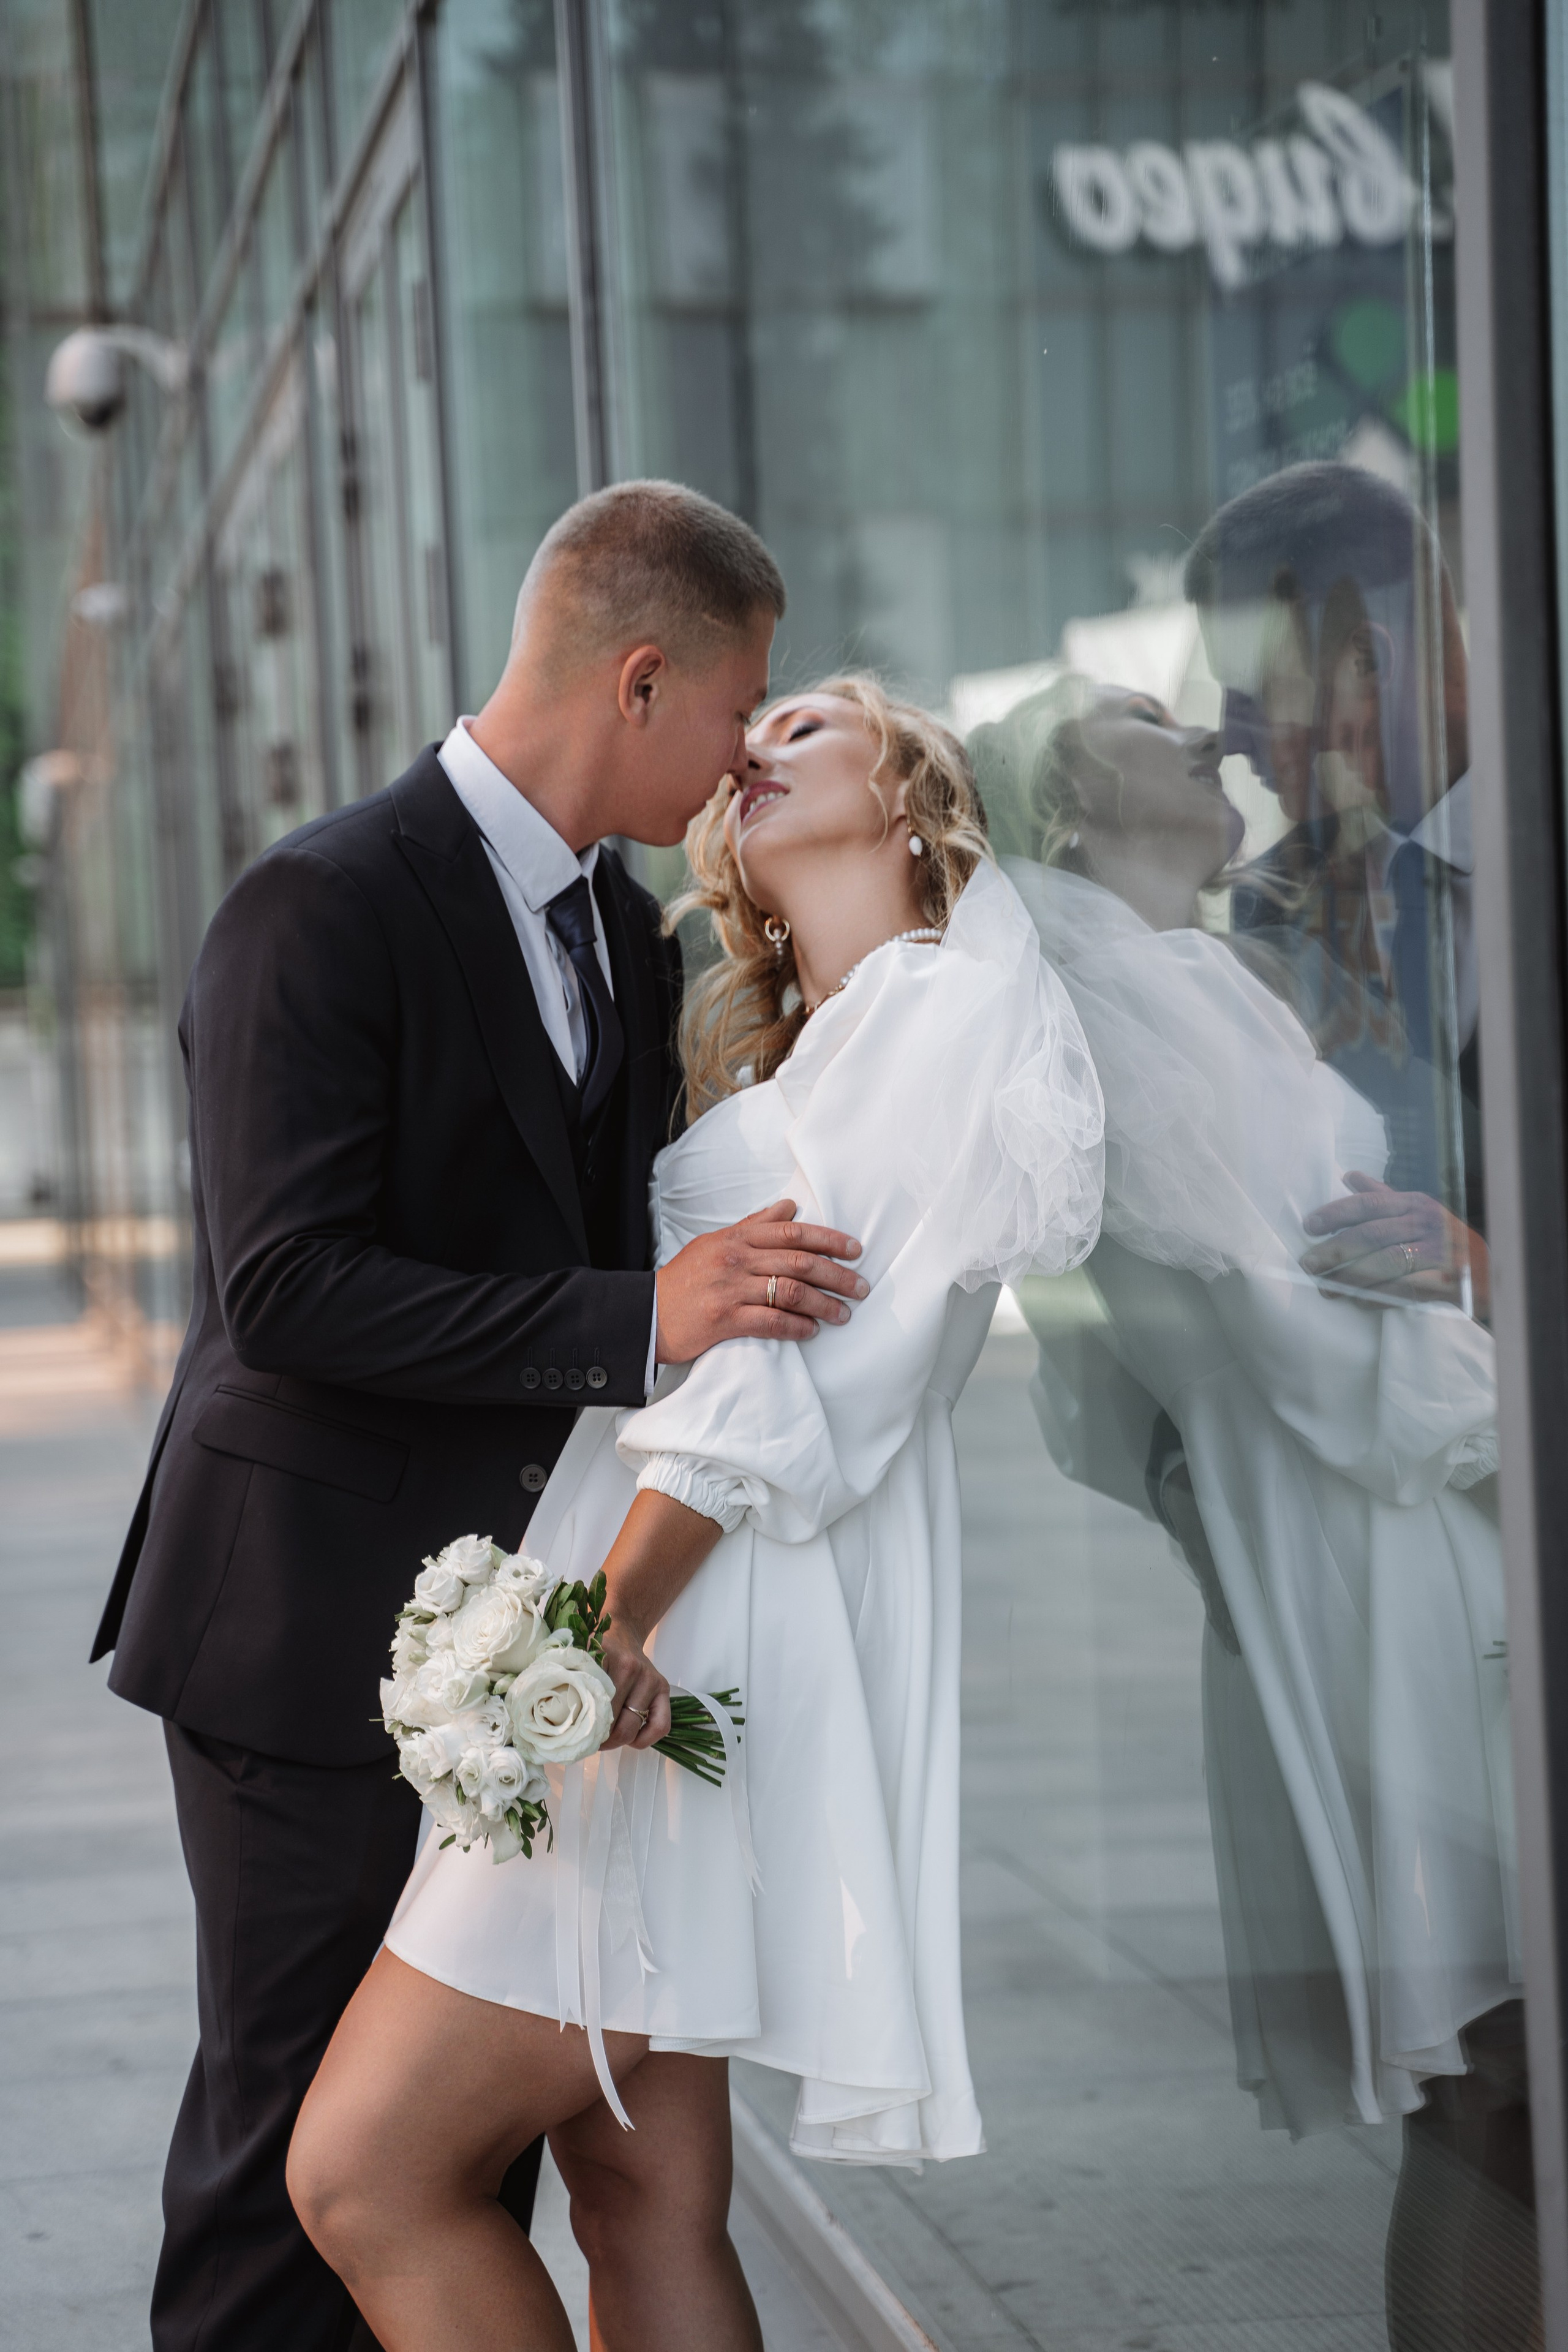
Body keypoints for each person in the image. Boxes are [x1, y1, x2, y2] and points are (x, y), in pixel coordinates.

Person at [89, 481, 878, 2352]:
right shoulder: (318, 904)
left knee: (452, 2176)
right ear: (635, 680)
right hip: (294, 1644)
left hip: (507, 1636)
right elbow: (280, 1290)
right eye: (731, 710)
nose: (735, 765)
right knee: (292, 2175)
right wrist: (639, 1315)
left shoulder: (621, 924)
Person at [284, 676, 1105, 2351]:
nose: (761, 742)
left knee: (364, 2168)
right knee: (640, 2185)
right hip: (670, 1583)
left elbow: (783, 1381)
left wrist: (607, 1621)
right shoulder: (807, 1037)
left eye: (813, 726)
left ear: (911, 796)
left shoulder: (938, 1011)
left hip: (692, 1604)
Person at [974, 674, 1534, 2352]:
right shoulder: (1086, 997)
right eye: (1154, 716)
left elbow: (1330, 1253)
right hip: (1365, 1536)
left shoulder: (1199, 972)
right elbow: (1263, 1319)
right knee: (1494, 2070)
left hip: (1407, 1511)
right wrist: (1478, 1316)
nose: (1215, 735)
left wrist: (1426, 1264)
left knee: (1509, 2064)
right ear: (1070, 795)